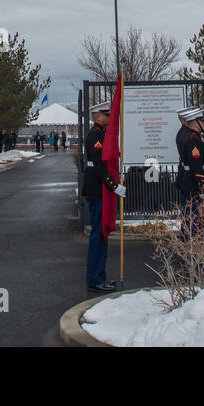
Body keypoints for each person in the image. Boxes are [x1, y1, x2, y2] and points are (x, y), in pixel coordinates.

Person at [82, 101, 126, 292]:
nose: (110, 119)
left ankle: (99, 275)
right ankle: (95, 278)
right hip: (97, 190)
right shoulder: (96, 136)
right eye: (107, 115)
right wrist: (113, 185)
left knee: (101, 235)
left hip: (99, 189)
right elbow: (99, 167)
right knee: (98, 235)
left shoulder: (100, 135)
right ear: (99, 116)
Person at [175, 106, 204, 237]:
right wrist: (203, 190)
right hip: (195, 186)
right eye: (202, 121)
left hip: (189, 182)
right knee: (198, 225)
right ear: (196, 122)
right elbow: (197, 168)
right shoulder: (192, 140)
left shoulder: (189, 135)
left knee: (191, 221)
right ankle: (195, 252)